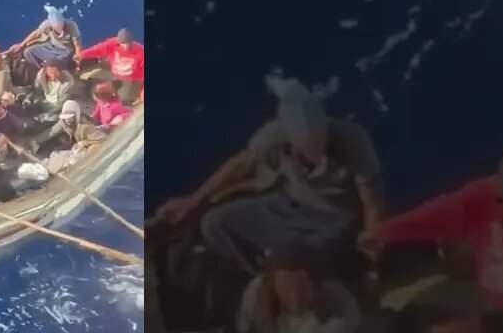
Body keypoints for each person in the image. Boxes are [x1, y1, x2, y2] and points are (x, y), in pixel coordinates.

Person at [154, 76, 384, 276]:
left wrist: (372, 251)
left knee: (301, 256)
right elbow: (241, 165)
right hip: (287, 205)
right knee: (215, 223)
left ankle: (292, 274)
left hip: (333, 219)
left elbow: (371, 203)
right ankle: (259, 274)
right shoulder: (276, 134)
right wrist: (194, 201)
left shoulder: (353, 140)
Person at [359, 148, 503, 329]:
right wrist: (385, 232)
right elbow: (434, 216)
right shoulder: (482, 196)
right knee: (408, 316)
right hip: (486, 296)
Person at [235, 247, 361, 333]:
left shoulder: (339, 302)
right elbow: (244, 326)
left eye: (301, 288)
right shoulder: (257, 293)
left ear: (316, 284)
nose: (295, 299)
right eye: (285, 289)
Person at [77, 28, 145, 104]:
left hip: (130, 78)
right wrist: (82, 54)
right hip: (114, 73)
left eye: (127, 44)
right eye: (123, 44)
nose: (125, 47)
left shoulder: (141, 52)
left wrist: (143, 90)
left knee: (121, 99)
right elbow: (98, 49)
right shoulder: (113, 43)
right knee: (92, 83)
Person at [10, 6, 83, 70]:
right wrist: (21, 45)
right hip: (50, 46)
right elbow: (35, 33)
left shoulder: (72, 25)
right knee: (28, 52)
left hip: (65, 52)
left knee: (52, 61)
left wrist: (77, 63)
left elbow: (77, 46)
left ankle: (51, 68)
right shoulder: (46, 24)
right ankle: (41, 68)